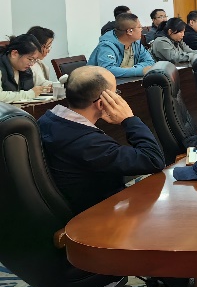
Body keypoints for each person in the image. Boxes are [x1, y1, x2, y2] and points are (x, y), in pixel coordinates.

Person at [37, 65, 165, 215]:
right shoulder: (89, 143)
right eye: (116, 93)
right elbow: (153, 159)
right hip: (99, 215)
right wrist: (129, 119)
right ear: (101, 103)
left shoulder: (46, 120)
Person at [88, 13, 155, 78]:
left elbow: (150, 62)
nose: (141, 29)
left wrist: (132, 69)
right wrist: (139, 71)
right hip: (96, 83)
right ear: (129, 31)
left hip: (125, 82)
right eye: (139, 27)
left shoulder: (136, 43)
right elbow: (108, 70)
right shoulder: (106, 46)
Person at [0, 34, 53, 103]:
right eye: (30, 59)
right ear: (14, 53)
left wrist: (52, 86)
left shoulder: (24, 68)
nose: (32, 64)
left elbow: (40, 83)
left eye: (35, 60)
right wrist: (29, 94)